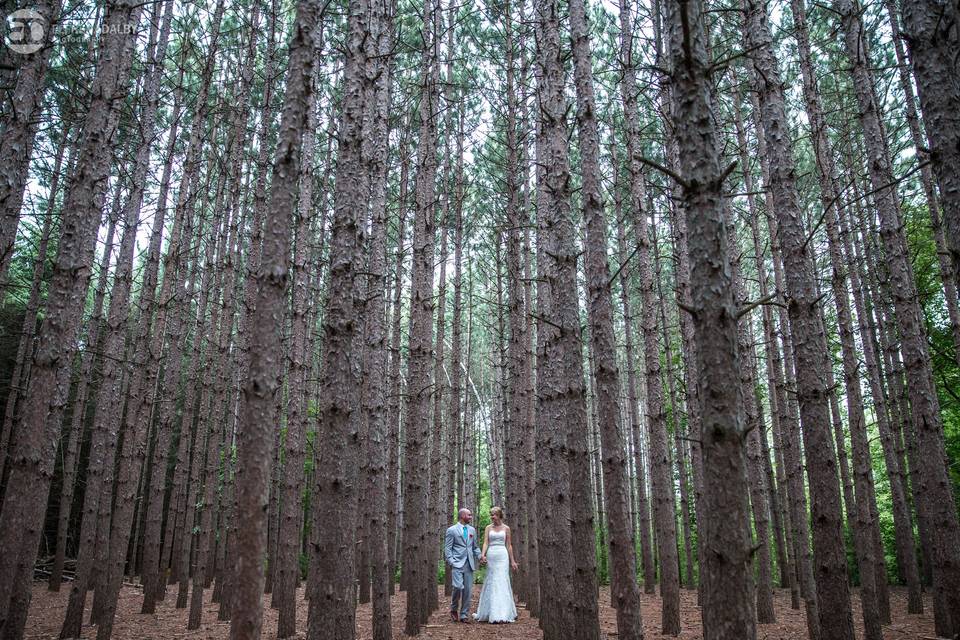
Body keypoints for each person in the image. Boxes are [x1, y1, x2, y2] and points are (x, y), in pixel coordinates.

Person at [473, 506, 518, 623]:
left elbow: (509, 545)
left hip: (502, 556)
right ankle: (489, 611)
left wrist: (512, 561)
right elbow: (486, 542)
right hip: (492, 554)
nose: (492, 517)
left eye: (494, 514)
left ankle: (504, 612)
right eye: (491, 514)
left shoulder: (506, 528)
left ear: (499, 515)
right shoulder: (488, 528)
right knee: (492, 580)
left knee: (502, 579)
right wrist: (483, 555)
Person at [444, 508, 482, 623]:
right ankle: (454, 609)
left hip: (469, 564)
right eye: (469, 515)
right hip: (457, 563)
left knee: (467, 591)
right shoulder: (451, 530)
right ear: (462, 516)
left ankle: (464, 614)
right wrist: (451, 561)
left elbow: (475, 546)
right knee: (457, 587)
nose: (471, 517)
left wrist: (480, 556)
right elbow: (447, 547)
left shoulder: (472, 530)